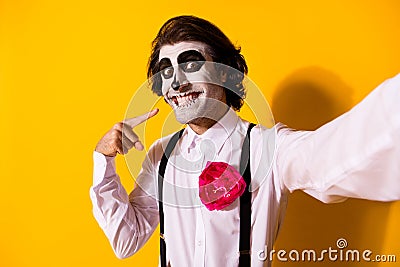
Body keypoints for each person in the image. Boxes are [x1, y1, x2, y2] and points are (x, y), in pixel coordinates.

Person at [90, 15, 400, 267]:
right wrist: (104, 160)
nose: (177, 82)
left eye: (190, 64)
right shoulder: (161, 154)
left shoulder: (269, 147)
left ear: (226, 74)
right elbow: (126, 241)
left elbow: (329, 159)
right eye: (166, 71)